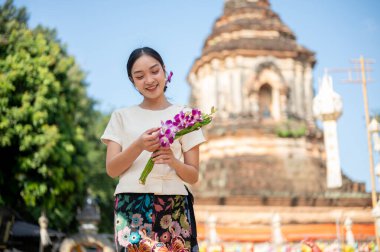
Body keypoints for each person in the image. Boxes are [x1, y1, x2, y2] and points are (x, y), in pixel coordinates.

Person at [100, 47, 205, 251]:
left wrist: (172, 160)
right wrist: (139, 145)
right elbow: (112, 169)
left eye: (154, 71)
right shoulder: (121, 116)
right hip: (131, 204)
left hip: (174, 204)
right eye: (139, 76)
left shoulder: (186, 117)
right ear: (133, 82)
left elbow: (193, 176)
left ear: (165, 71)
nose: (149, 80)